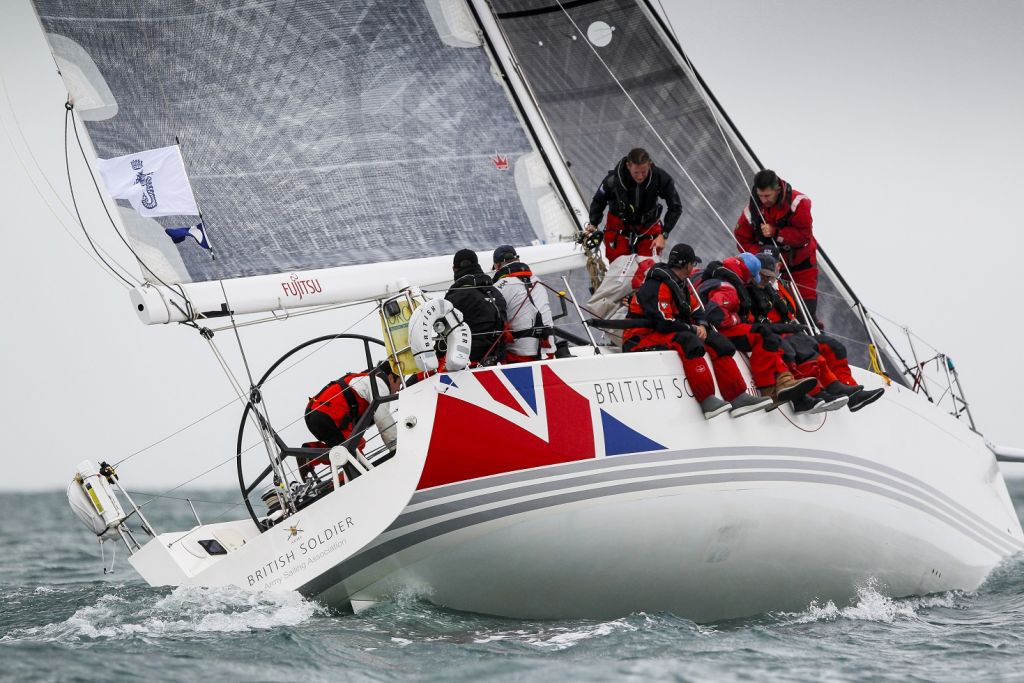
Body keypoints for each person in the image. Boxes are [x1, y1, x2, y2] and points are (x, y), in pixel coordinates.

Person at [623, 243, 774, 419]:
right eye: (692, 264)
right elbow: (663, 322)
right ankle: (707, 400)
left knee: (719, 342)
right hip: (640, 336)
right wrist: (692, 328)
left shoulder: (681, 285)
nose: (693, 267)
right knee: (689, 341)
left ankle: (737, 396)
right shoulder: (657, 285)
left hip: (666, 331)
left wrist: (701, 324)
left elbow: (697, 311)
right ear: (687, 265)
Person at [752, 252, 884, 412]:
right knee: (804, 347)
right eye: (764, 275)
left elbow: (790, 313)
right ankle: (819, 392)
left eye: (772, 273)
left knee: (833, 346)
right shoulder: (750, 289)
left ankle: (851, 392)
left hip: (789, 331)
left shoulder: (776, 289)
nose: (768, 278)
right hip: (773, 333)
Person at [694, 253, 817, 408]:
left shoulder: (721, 278)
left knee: (766, 335)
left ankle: (782, 383)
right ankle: (771, 387)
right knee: (763, 334)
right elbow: (715, 314)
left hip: (714, 327)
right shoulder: (729, 288)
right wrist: (736, 319)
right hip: (719, 329)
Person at [734, 169, 819, 320]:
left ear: (778, 190)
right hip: (768, 271)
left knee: (805, 312)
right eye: (760, 196)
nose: (764, 200)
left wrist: (777, 233)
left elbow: (805, 236)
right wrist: (764, 256)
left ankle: (814, 334)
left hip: (800, 267)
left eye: (767, 196)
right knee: (769, 307)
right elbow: (741, 239)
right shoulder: (752, 212)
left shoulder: (799, 203)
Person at [584, 147, 683, 263]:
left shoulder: (660, 178)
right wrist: (593, 223)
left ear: (649, 165)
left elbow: (676, 207)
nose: (640, 176)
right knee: (618, 267)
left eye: (644, 172)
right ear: (628, 166)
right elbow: (598, 201)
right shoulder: (612, 181)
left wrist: (664, 234)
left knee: (648, 268)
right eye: (636, 172)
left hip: (648, 227)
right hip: (619, 228)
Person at [491, 245, 568, 362]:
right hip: (548, 351)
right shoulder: (537, 280)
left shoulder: (499, 286)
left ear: (497, 265)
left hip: (520, 356)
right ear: (517, 260)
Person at [305, 364, 401, 453]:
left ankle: (308, 455)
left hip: (314, 413)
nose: (398, 390)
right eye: (399, 384)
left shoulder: (363, 378)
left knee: (341, 454)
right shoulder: (379, 383)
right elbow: (383, 417)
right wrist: (396, 448)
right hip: (330, 416)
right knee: (355, 457)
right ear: (391, 377)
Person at [446, 248, 508, 365]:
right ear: (477, 265)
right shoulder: (496, 292)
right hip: (498, 356)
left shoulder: (456, 295)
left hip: (470, 360)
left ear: (455, 269)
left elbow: (444, 331)